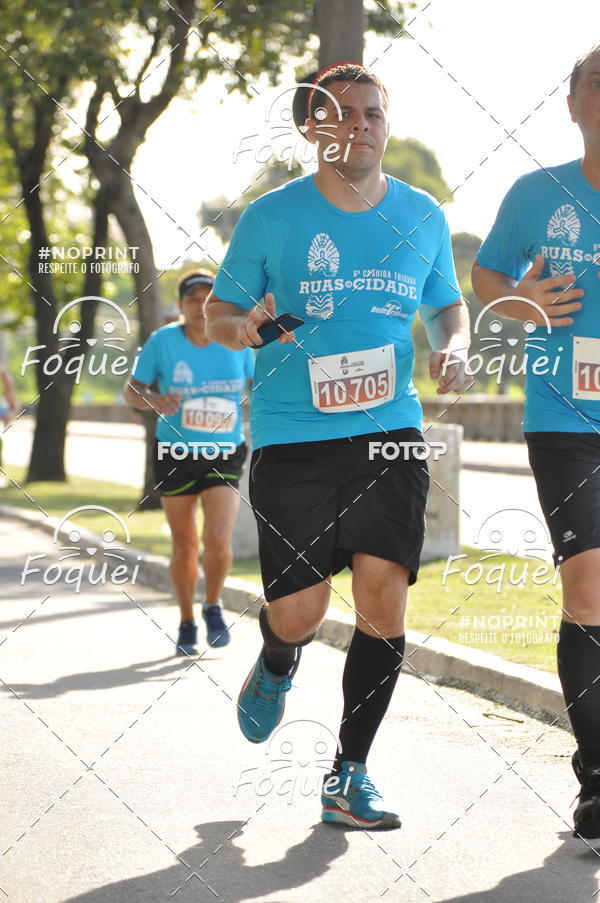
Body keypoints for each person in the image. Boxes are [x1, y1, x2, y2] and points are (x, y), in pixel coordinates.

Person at [206, 63, 471, 829]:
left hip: (391, 430)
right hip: (296, 434)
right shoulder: (271, 217)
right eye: (344, 113)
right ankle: (280, 656)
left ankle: (348, 773)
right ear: (314, 129)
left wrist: (453, 344)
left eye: (374, 113)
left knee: (383, 597)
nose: (361, 124)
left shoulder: (421, 215)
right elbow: (221, 313)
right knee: (302, 608)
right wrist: (241, 325)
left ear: (388, 124)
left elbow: (449, 305)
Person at [471, 45, 600, 839]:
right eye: (599, 85)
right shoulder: (537, 194)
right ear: (574, 104)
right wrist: (524, 300)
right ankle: (596, 782)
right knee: (588, 590)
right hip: (564, 423)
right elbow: (486, 279)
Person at [125, 270, 254, 655]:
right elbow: (133, 390)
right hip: (176, 452)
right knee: (185, 544)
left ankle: (213, 605)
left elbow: (263, 384)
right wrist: (153, 401)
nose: (200, 306)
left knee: (217, 538)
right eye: (192, 299)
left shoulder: (237, 341)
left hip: (225, 451)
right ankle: (186, 620)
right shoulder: (162, 342)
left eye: (207, 298)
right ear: (181, 306)